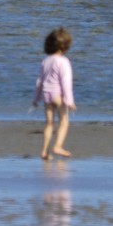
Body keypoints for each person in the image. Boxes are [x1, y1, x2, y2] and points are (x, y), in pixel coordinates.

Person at [34, 27, 76, 159]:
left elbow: (40, 81)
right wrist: (69, 101)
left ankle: (44, 151)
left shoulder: (45, 61)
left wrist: (36, 99)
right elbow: (66, 82)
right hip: (58, 95)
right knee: (64, 121)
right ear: (66, 46)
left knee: (49, 123)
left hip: (46, 95)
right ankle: (58, 146)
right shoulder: (63, 61)